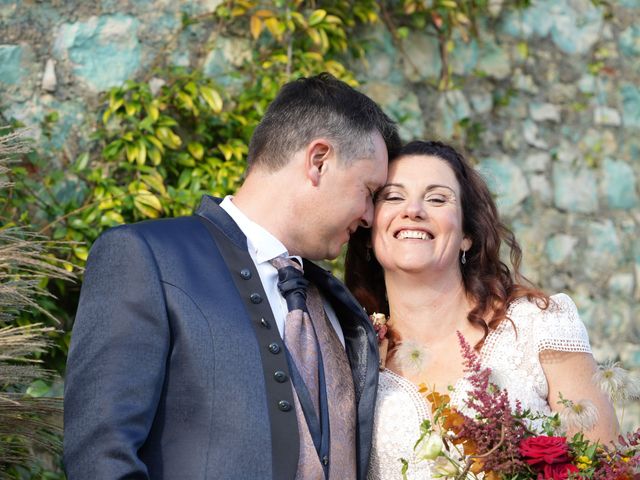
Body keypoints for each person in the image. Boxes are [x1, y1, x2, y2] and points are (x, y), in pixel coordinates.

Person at [64, 73, 400, 480]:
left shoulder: (334, 303)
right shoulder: (146, 257)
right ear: (319, 161)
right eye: (368, 190)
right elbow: (101, 457)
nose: (368, 217)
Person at [344, 140, 619, 479]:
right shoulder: (349, 355)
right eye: (394, 196)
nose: (413, 210)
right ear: (369, 227)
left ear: (467, 235)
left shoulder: (538, 324)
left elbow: (609, 466)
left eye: (437, 198)